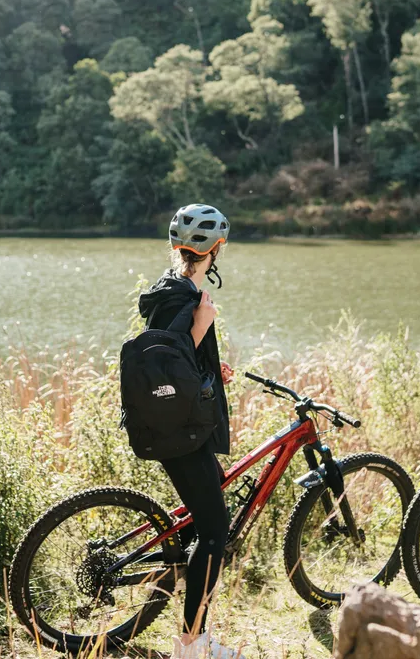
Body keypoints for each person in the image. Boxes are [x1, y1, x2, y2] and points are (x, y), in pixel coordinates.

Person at [138, 204, 239, 659]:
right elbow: (168, 358)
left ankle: (180, 588)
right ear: (215, 249)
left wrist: (209, 369)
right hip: (180, 430)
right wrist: (201, 327)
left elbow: (167, 356)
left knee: (208, 513)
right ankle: (191, 644)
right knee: (216, 531)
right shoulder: (189, 299)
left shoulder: (172, 286)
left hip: (172, 421)